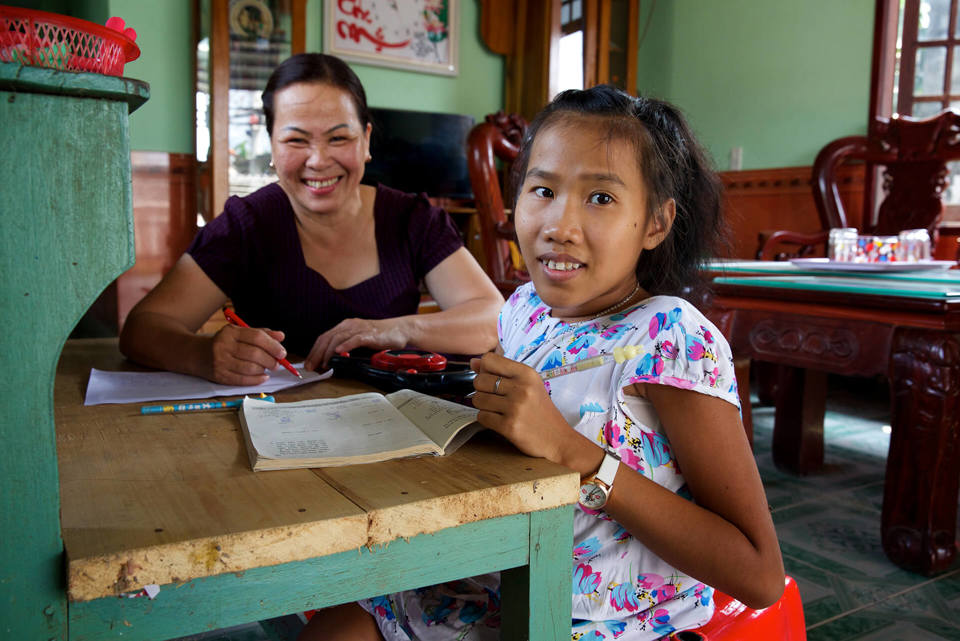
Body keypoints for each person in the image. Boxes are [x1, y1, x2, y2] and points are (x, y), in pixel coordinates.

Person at [301, 86, 784, 640]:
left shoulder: (669, 338)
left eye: (600, 198)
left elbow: (758, 574)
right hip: (493, 580)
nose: (559, 224)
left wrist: (577, 455)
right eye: (543, 189)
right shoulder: (524, 309)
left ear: (656, 222)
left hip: (599, 619)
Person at [119, 54, 503, 383]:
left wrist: (398, 329)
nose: (318, 160)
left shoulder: (413, 220)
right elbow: (142, 329)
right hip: (273, 434)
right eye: (296, 140)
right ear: (270, 144)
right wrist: (201, 355)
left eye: (338, 138)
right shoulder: (247, 224)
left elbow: (492, 318)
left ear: (366, 140)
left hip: (394, 430)